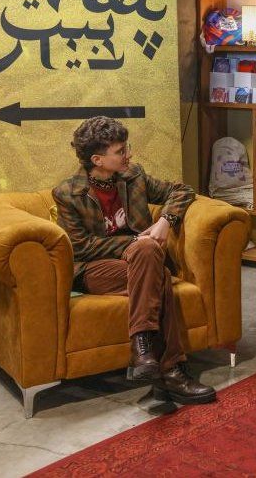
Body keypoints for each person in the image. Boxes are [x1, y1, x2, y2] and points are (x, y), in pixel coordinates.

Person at [53, 116, 215, 405]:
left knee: (150, 258)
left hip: (142, 261)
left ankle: (145, 353)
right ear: (97, 159)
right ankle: (174, 372)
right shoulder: (68, 194)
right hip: (96, 268)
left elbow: (182, 190)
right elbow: (80, 247)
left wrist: (166, 220)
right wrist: (134, 242)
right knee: (153, 262)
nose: (129, 155)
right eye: (120, 151)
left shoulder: (134, 177)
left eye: (127, 148)